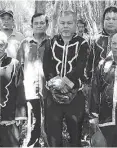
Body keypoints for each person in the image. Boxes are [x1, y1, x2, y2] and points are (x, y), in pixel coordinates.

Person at [42, 10, 90, 147]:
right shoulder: (50, 43)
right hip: (52, 94)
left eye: (69, 23)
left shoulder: (82, 43)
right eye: (62, 23)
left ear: (76, 25)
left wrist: (66, 84)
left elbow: (80, 67)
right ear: (58, 24)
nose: (66, 26)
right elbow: (47, 66)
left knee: (75, 135)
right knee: (53, 136)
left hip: (75, 95)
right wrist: (56, 84)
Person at [16, 13, 50, 147]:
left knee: (49, 120)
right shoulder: (25, 44)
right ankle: (32, 144)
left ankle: (48, 143)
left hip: (48, 89)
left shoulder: (52, 42)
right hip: (30, 88)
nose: (39, 25)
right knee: (33, 120)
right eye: (36, 23)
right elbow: (19, 66)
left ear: (47, 25)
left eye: (42, 23)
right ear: (31, 25)